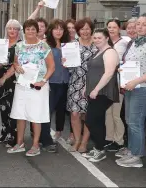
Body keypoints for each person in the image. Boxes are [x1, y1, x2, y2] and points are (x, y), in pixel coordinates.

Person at [118, 13, 146, 168]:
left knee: (135, 122)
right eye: (138, 24)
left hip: (143, 89)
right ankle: (132, 150)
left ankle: (137, 156)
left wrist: (135, 81)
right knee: (130, 120)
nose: (140, 26)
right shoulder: (135, 43)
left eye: (144, 24)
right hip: (131, 87)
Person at [7, 19, 55, 157]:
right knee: (20, 114)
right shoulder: (19, 46)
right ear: (24, 31)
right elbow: (15, 62)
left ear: (37, 30)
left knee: (35, 116)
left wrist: (43, 81)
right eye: (27, 29)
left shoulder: (44, 46)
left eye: (33, 29)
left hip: (38, 85)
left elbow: (52, 67)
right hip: (22, 84)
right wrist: (17, 67)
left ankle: (35, 145)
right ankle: (20, 143)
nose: (30, 31)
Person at [81, 28, 120, 162]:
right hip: (94, 91)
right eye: (95, 38)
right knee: (97, 121)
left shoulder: (110, 52)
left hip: (103, 92)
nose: (97, 40)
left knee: (90, 120)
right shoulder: (99, 51)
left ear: (106, 38)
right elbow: (91, 72)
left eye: (100, 38)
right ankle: (98, 149)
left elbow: (108, 73)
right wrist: (86, 87)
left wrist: (96, 89)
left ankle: (100, 149)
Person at [65, 18, 97, 153]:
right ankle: (77, 140)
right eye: (82, 29)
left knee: (88, 115)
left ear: (91, 30)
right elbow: (68, 68)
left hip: (92, 84)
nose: (85, 31)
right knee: (74, 114)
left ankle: (84, 142)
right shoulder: (72, 45)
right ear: (78, 31)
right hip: (75, 82)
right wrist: (65, 62)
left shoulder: (97, 45)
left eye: (87, 28)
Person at [40, 19, 71, 153]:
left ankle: (52, 134)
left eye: (61, 29)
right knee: (47, 112)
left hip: (65, 82)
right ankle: (45, 140)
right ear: (51, 30)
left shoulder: (68, 45)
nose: (58, 31)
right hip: (51, 82)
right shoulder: (46, 45)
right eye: (56, 28)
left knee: (60, 111)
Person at [0, 19, 23, 147]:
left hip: (12, 80)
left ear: (19, 31)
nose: (12, 31)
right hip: (0, 80)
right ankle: (4, 132)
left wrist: (4, 78)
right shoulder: (1, 43)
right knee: (3, 107)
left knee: (13, 108)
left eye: (15, 28)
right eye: (9, 28)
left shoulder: (20, 45)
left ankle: (13, 135)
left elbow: (16, 64)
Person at [104, 19, 128, 152]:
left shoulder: (123, 43)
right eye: (109, 27)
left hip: (118, 82)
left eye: (114, 27)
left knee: (116, 113)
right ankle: (109, 138)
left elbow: (117, 62)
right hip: (106, 82)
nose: (111, 29)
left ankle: (119, 140)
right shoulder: (105, 43)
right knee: (107, 112)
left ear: (119, 29)